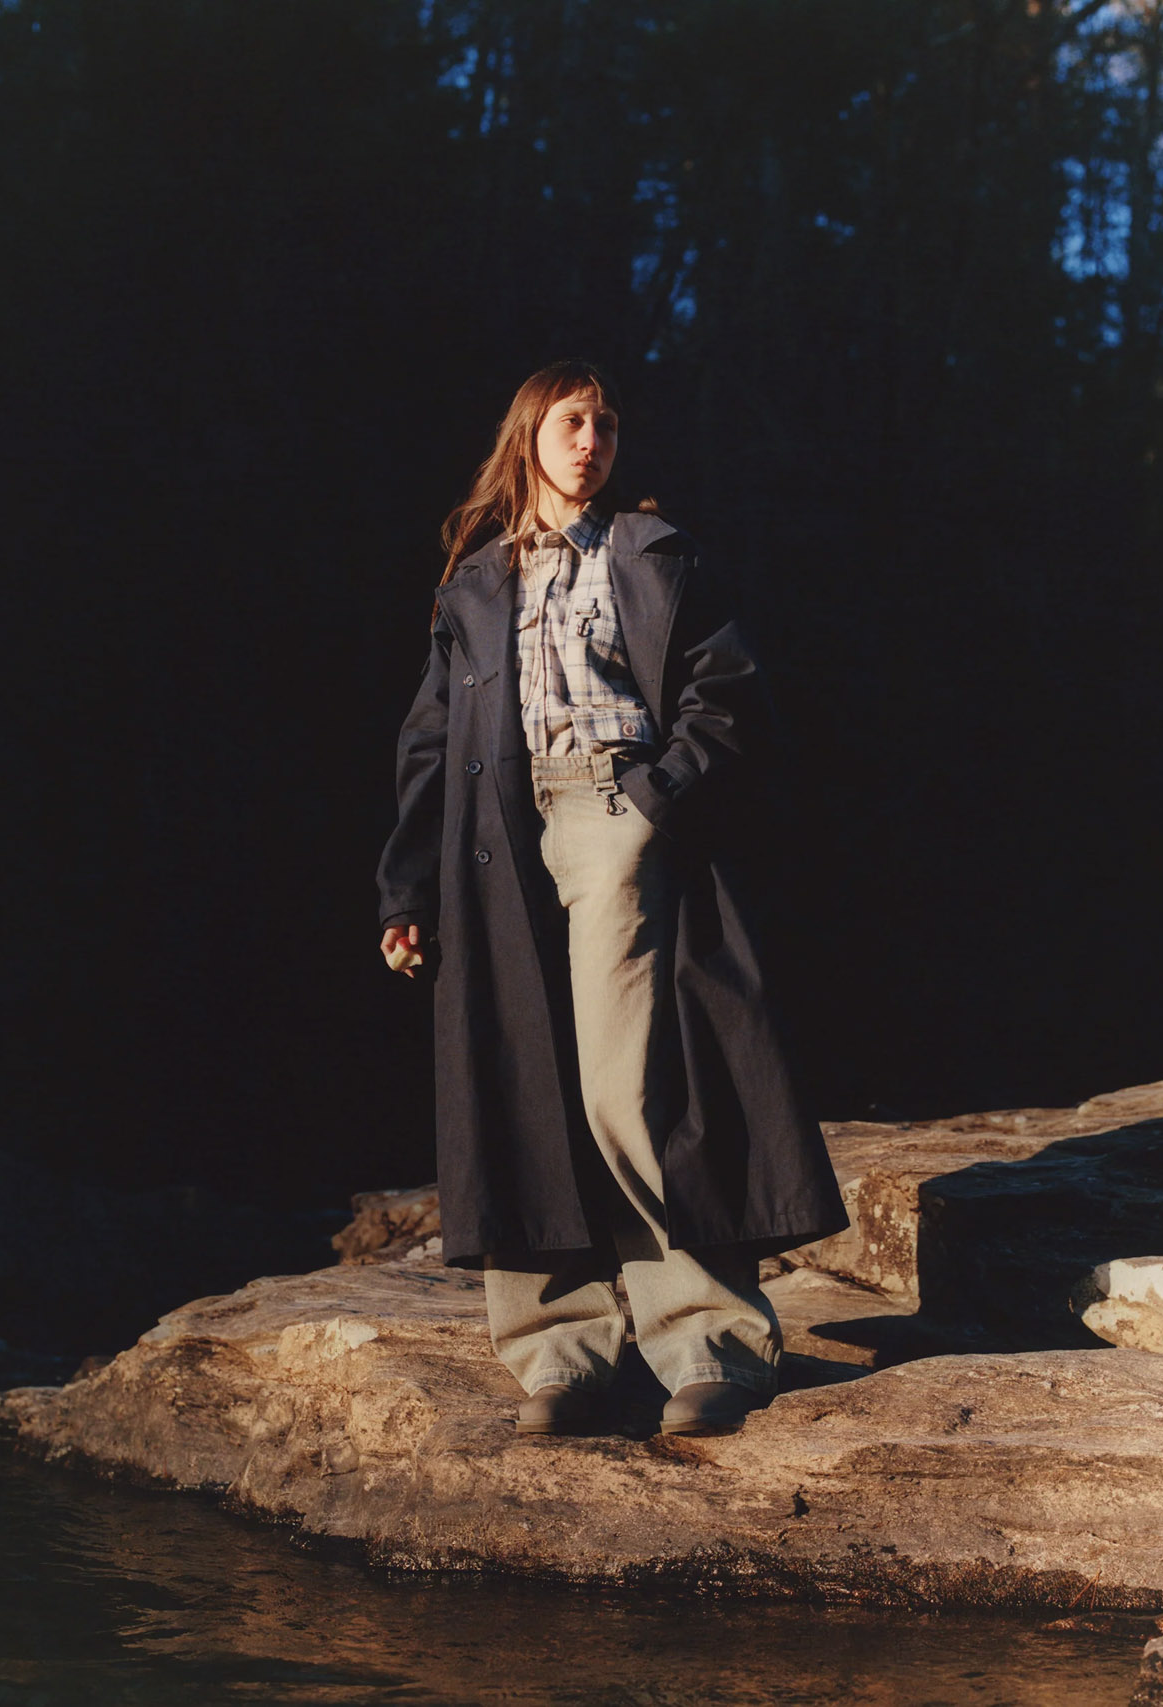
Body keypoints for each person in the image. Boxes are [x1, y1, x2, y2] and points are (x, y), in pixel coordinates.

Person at [376, 359, 847, 1437]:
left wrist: (652, 798)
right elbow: (428, 745)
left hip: (614, 818)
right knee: (519, 1090)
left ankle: (708, 1341)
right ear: (528, 437)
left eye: (606, 425)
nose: (592, 441)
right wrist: (406, 889)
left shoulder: (652, 552)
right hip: (497, 840)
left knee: (625, 1088)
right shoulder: (473, 582)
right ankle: (561, 1356)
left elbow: (727, 694)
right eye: (572, 422)